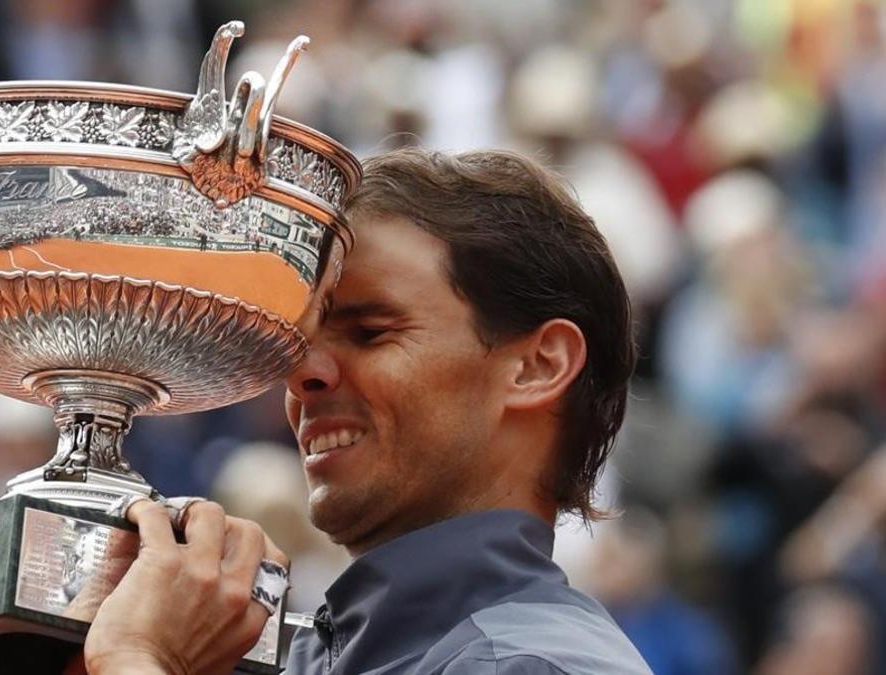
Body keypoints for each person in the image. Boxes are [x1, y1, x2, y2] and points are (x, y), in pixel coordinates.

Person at [82, 147, 650, 673]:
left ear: (538, 367)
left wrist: (136, 656)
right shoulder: (304, 654)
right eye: (298, 342)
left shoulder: (528, 664)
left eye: (370, 332)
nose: (302, 374)